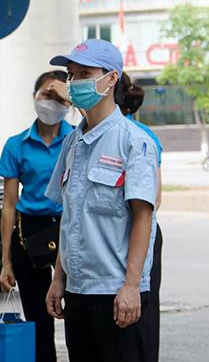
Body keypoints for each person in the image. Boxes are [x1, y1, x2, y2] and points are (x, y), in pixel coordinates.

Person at [43, 39, 159, 362]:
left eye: (84, 73)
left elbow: (143, 217)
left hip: (116, 294)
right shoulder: (72, 144)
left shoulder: (134, 142)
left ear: (110, 79)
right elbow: (69, 219)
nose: (74, 82)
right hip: (78, 293)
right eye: (71, 74)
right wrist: (58, 279)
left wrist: (132, 286)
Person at [0, 71, 73, 362]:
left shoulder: (78, 140)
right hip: (28, 233)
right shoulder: (16, 145)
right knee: (39, 320)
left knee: (76, 312)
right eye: (46, 94)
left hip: (68, 229)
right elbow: (8, 205)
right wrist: (5, 259)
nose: (51, 102)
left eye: (58, 97)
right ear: (34, 97)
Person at [116, 71, 164, 361]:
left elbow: (153, 199)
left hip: (140, 232)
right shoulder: (80, 137)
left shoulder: (140, 137)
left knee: (139, 317)